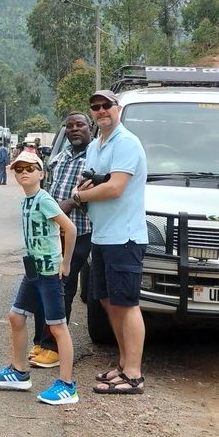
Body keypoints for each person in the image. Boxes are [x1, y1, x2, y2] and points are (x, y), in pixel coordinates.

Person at [0, 149, 78, 405]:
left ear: (41, 173)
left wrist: (65, 262)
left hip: (49, 273)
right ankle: (19, 370)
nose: (24, 173)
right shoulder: (27, 200)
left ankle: (67, 385)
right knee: (16, 316)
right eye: (19, 169)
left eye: (30, 169)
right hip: (33, 271)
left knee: (57, 327)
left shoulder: (44, 199)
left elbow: (69, 228)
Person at [74, 89, 148, 395]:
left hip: (124, 237)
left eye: (107, 105)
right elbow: (89, 180)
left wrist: (79, 196)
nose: (101, 110)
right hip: (102, 235)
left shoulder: (126, 143)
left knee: (127, 304)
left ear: (118, 108)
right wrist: (85, 188)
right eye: (96, 106)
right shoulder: (96, 145)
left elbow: (116, 188)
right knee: (107, 300)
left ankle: (134, 374)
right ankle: (122, 364)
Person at [29, 111, 93, 370]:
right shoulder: (61, 157)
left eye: (80, 125)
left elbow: (87, 195)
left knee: (62, 287)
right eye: (70, 126)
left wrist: (66, 205)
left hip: (77, 232)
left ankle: (55, 348)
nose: (74, 129)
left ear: (90, 128)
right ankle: (41, 342)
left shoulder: (95, 157)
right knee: (41, 284)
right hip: (50, 233)